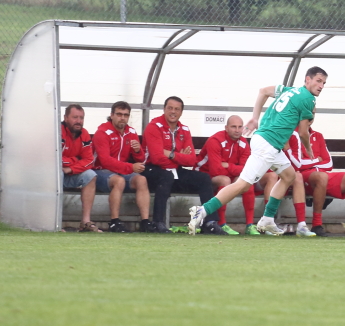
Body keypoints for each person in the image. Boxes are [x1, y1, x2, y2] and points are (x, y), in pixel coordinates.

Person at [187, 67, 327, 236]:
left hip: (266, 141)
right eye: (318, 81)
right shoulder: (309, 99)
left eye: (324, 83)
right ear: (307, 80)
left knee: (289, 176)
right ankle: (202, 211)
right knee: (242, 185)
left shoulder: (289, 90)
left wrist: (255, 118)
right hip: (268, 144)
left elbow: (263, 91)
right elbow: (304, 132)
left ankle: (267, 219)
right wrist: (308, 148)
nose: (321, 86)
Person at [282, 126, 345, 237]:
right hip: (302, 176)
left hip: (322, 174)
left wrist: (311, 163)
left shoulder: (318, 135)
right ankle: (317, 224)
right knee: (322, 177)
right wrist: (317, 160)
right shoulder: (291, 134)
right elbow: (296, 164)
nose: (310, 119)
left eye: (312, 117)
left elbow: (328, 163)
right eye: (307, 117)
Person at [143, 96, 218, 233]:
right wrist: (180, 156)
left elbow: (191, 160)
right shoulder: (154, 126)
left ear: (181, 112)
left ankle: (210, 223)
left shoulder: (184, 129)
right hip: (152, 170)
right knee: (166, 177)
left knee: (204, 178)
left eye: (177, 109)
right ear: (164, 109)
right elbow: (157, 158)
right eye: (170, 108)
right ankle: (158, 222)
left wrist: (171, 154)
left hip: (175, 170)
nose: (173, 111)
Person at [93, 101, 153, 233]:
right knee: (118, 181)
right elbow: (105, 161)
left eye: (126, 115)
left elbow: (141, 160)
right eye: (119, 114)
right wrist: (130, 167)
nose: (122, 118)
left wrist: (137, 151)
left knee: (141, 180)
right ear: (112, 115)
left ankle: (145, 222)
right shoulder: (102, 132)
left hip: (122, 171)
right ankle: (114, 222)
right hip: (101, 172)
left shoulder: (131, 132)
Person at [197, 115, 258, 235]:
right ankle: (222, 224)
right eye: (233, 127)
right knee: (225, 180)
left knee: (247, 181)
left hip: (226, 174)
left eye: (240, 127)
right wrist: (235, 169)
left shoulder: (244, 143)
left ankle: (250, 225)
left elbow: (246, 170)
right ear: (226, 128)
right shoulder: (215, 140)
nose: (237, 130)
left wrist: (228, 166)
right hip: (203, 175)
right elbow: (216, 170)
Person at [60, 104, 102, 233]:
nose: (78, 121)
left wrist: (71, 169)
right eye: (75, 117)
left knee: (90, 175)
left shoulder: (84, 134)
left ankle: (85, 223)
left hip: (69, 172)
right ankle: (54, 222)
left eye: (81, 118)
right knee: (57, 174)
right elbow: (53, 159)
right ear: (65, 118)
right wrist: (75, 159)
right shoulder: (57, 131)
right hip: (52, 174)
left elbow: (89, 161)